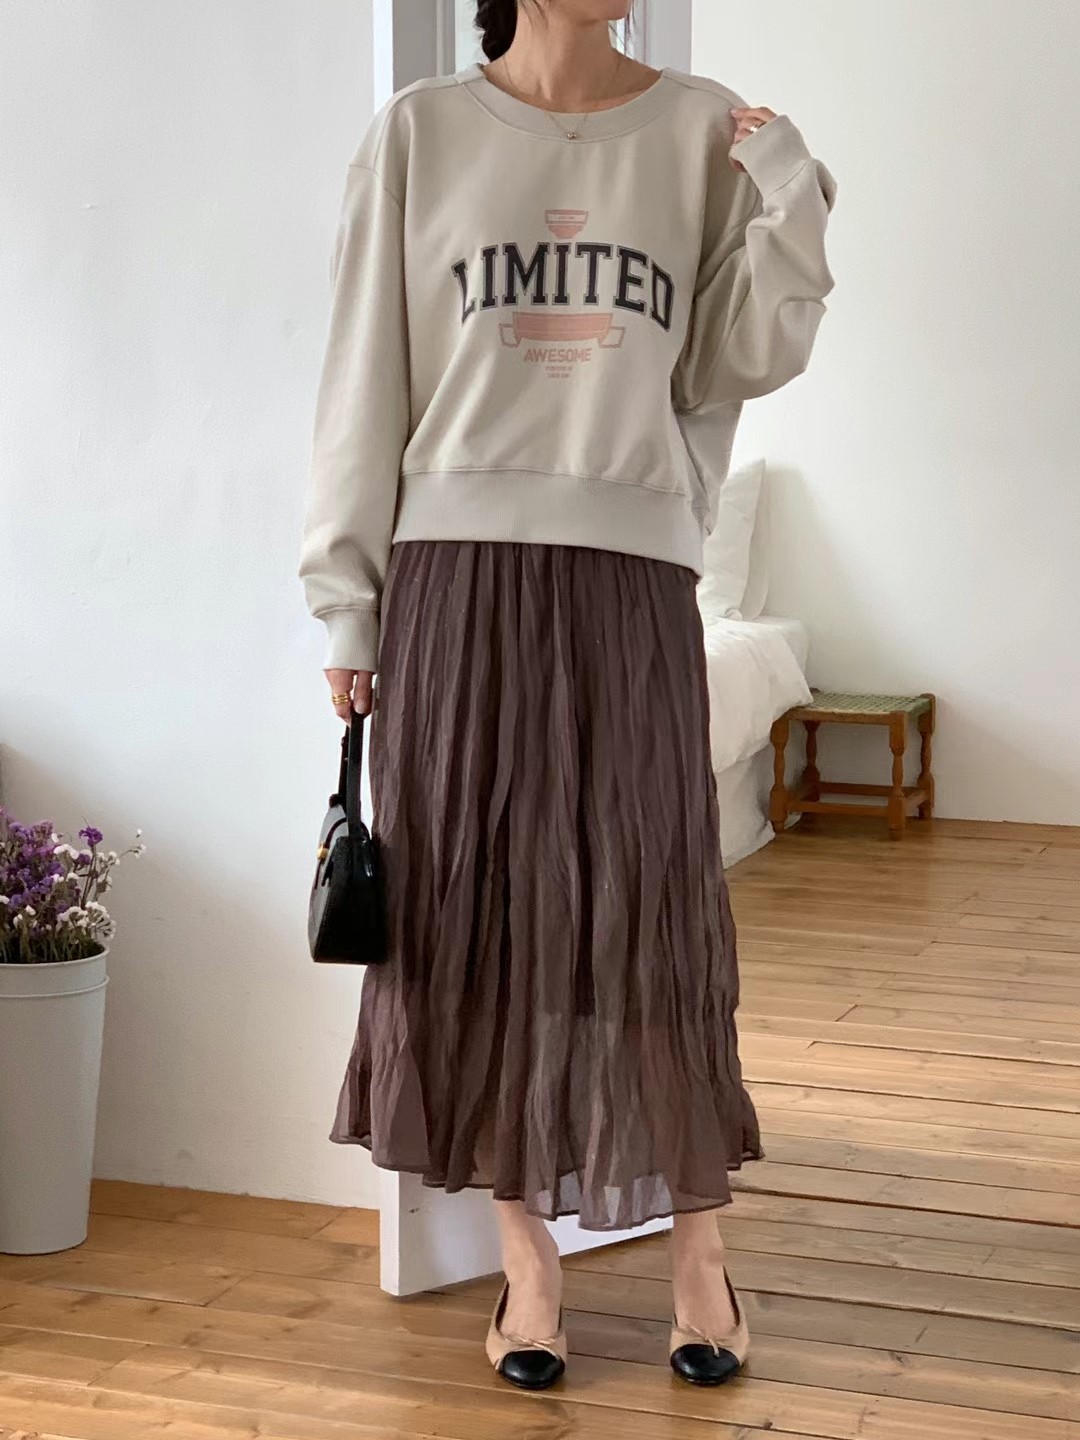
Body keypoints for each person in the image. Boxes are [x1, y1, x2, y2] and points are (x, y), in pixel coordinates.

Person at [298, 0, 836, 1392]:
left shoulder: (699, 128)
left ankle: (698, 1251)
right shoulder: (421, 134)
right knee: (473, 911)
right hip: (454, 571)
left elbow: (740, 357)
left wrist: (791, 190)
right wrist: (348, 596)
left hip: (632, 570)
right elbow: (363, 376)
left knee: (649, 904)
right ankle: (526, 1261)